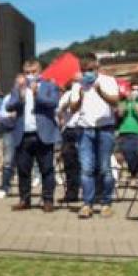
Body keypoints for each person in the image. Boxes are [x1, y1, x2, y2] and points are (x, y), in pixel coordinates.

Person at [68, 54, 121, 219]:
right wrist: (80, 97)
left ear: (97, 67)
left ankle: (106, 203)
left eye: (90, 70)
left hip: (105, 129)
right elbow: (72, 107)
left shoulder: (108, 81)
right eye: (84, 71)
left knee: (105, 168)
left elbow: (115, 102)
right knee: (86, 169)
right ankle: (87, 204)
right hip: (85, 130)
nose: (87, 73)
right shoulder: (78, 85)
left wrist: (99, 91)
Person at [5, 60, 60, 213]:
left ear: (40, 71)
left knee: (47, 169)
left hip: (43, 134)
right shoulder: (18, 87)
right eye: (27, 72)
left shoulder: (49, 86)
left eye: (33, 72)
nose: (30, 75)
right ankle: (25, 200)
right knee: (23, 170)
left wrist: (36, 94)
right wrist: (20, 97)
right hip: (23, 135)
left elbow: (54, 103)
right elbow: (9, 105)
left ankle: (48, 200)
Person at [57, 76, 85, 207]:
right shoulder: (67, 95)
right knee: (69, 163)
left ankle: (91, 192)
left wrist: (81, 97)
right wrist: (68, 102)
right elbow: (59, 111)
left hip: (84, 128)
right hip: (69, 130)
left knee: (86, 162)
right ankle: (72, 193)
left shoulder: (88, 93)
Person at [115, 84, 138, 178]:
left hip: (137, 132)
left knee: (135, 154)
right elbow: (120, 114)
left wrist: (134, 103)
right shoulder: (124, 102)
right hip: (124, 131)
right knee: (125, 153)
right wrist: (125, 102)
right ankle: (134, 173)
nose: (135, 91)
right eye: (133, 89)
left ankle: (136, 174)